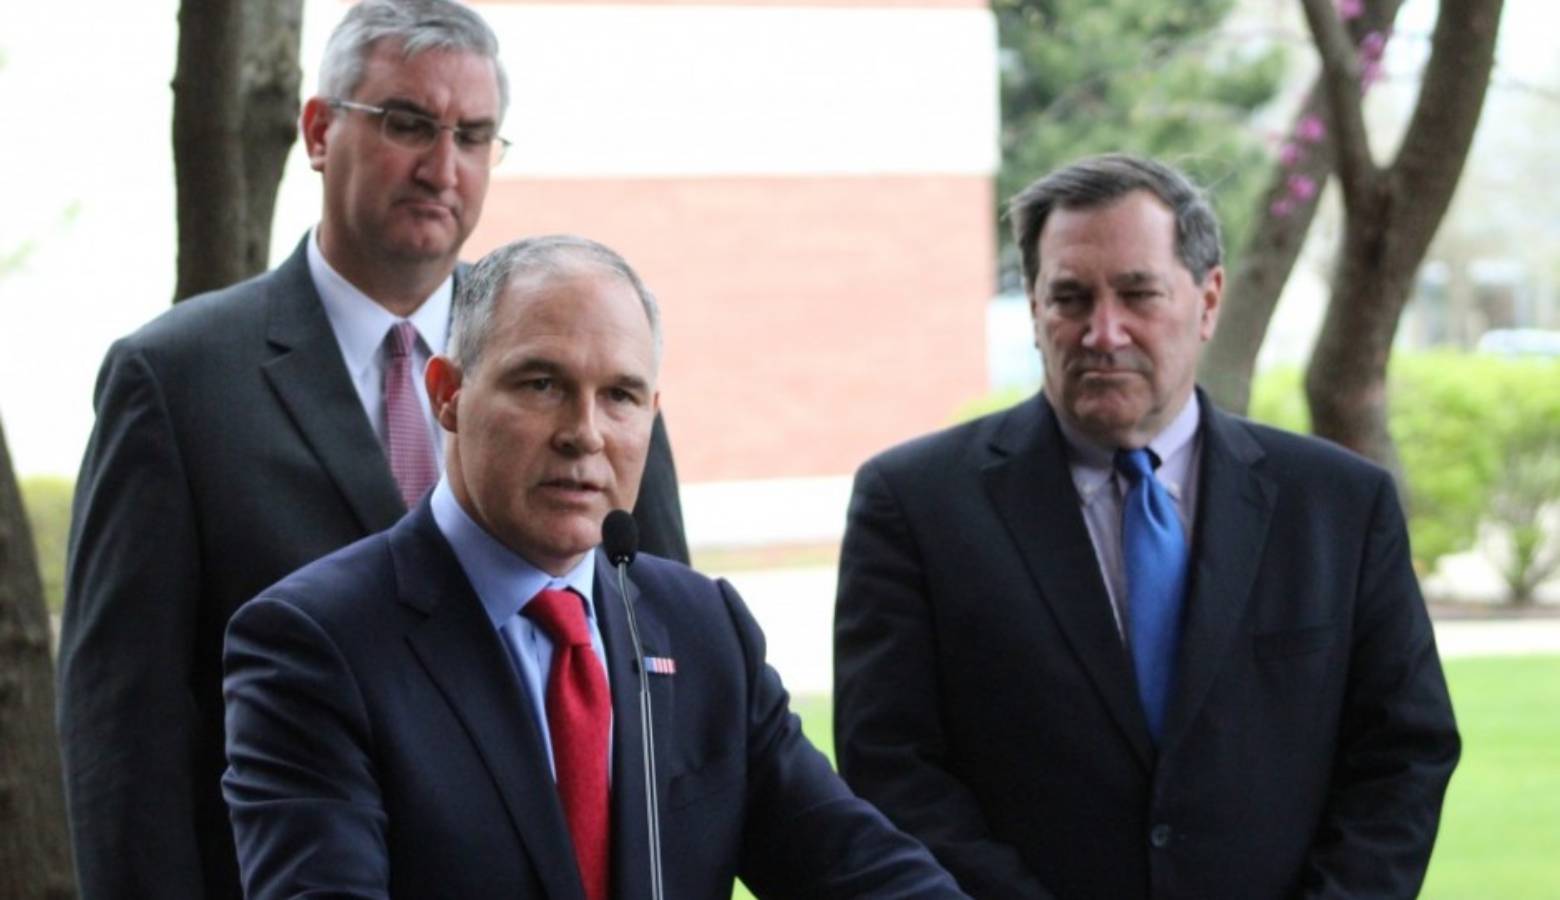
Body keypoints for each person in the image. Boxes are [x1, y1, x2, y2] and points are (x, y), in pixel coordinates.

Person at [58, 3, 688, 898]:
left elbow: (661, 646)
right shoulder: (175, 381)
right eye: (406, 125)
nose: (443, 167)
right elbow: (125, 735)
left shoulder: (583, 354)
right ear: (318, 131)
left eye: (474, 136)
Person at [220, 235, 966, 900]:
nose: (585, 434)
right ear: (447, 395)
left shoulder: (703, 629)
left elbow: (855, 864)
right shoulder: (316, 644)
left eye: (620, 396)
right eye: (541, 384)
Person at [832, 153, 1460, 899]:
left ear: (1209, 299)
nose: (1104, 332)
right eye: (1070, 297)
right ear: (1033, 308)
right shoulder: (914, 506)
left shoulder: (1338, 507)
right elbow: (891, 768)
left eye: (1138, 293)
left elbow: (1402, 756)